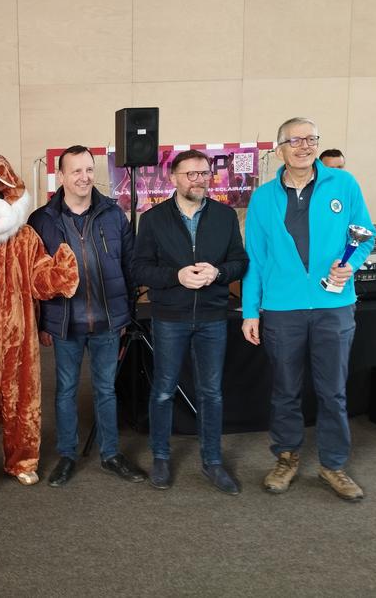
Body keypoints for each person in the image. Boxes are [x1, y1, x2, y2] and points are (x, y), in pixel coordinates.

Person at [242, 117, 376, 500]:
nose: (305, 146)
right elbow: (256, 259)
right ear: (279, 149)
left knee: (333, 392)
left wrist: (352, 263)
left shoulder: (343, 184)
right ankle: (286, 458)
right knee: (285, 390)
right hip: (282, 309)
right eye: (295, 140)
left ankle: (333, 465)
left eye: (311, 139)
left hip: (334, 306)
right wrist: (250, 310)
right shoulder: (263, 198)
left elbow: (364, 236)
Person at [132, 150, 248, 494]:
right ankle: (161, 456)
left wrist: (219, 273)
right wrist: (176, 276)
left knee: (211, 393)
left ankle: (212, 461)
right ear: (174, 177)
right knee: (163, 390)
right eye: (191, 174)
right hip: (170, 318)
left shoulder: (225, 216)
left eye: (204, 173)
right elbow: (139, 269)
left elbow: (240, 261)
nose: (199, 180)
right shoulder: (152, 219)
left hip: (212, 317)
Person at [28, 145, 145, 487]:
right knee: (65, 390)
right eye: (76, 170)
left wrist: (126, 315)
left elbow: (129, 267)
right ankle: (67, 455)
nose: (84, 177)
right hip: (65, 324)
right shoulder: (41, 221)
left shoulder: (113, 214)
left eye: (89, 170)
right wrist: (41, 323)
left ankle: (111, 454)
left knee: (106, 390)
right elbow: (34, 278)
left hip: (108, 322)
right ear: (60, 176)